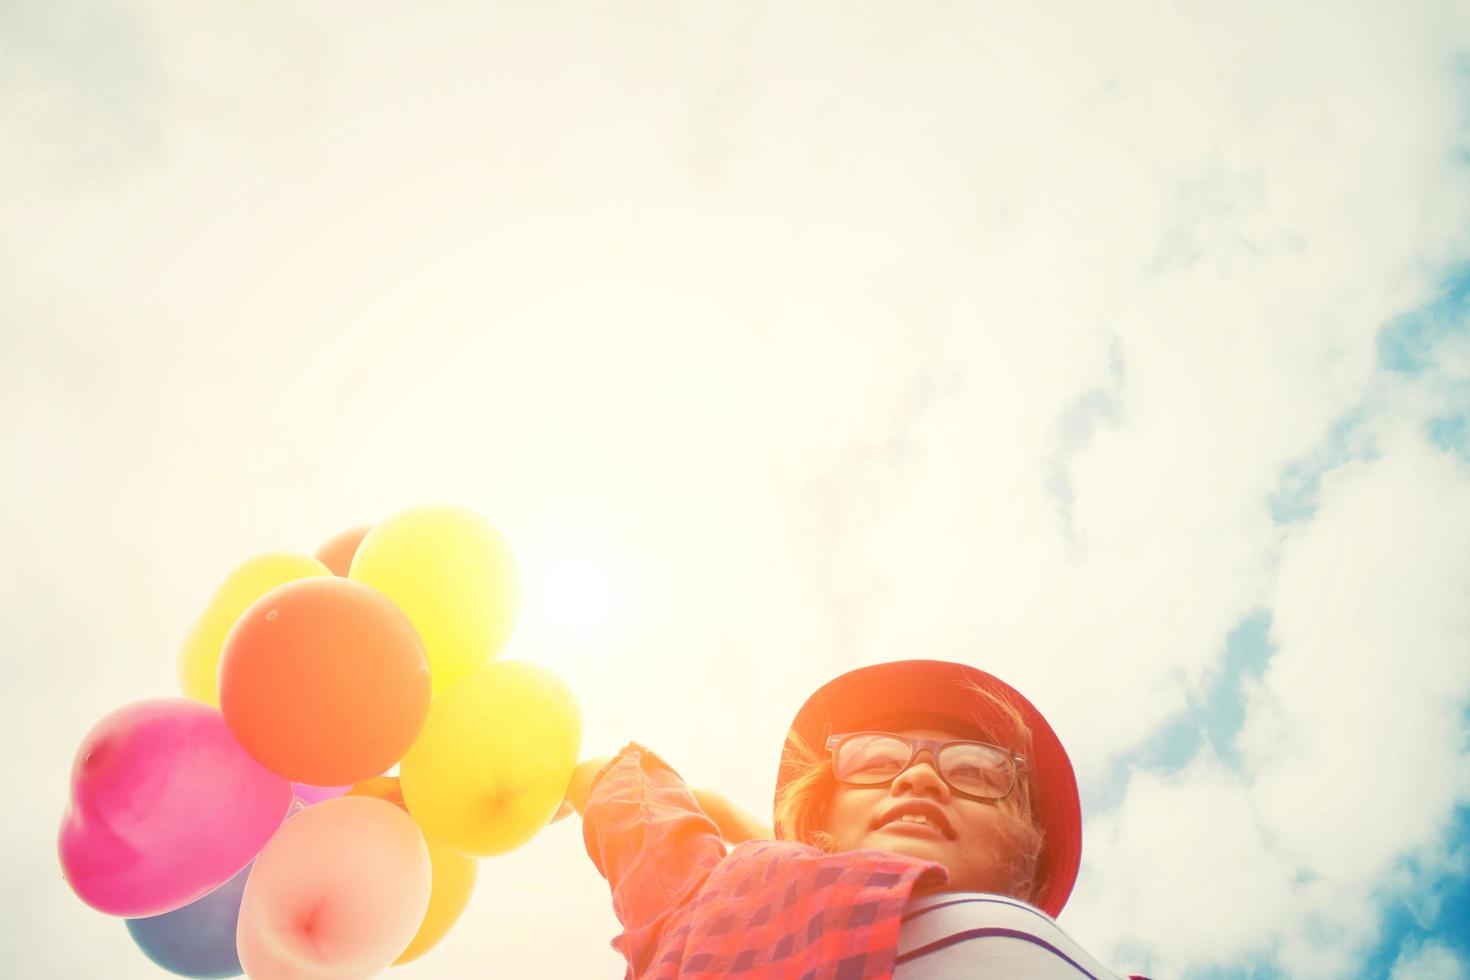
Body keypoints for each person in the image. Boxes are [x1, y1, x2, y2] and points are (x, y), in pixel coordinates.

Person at [560, 659, 1149, 979]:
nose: (917, 778)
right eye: (876, 760)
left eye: (975, 771)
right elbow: (638, 812)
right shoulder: (716, 908)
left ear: (1027, 856)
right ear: (818, 820)